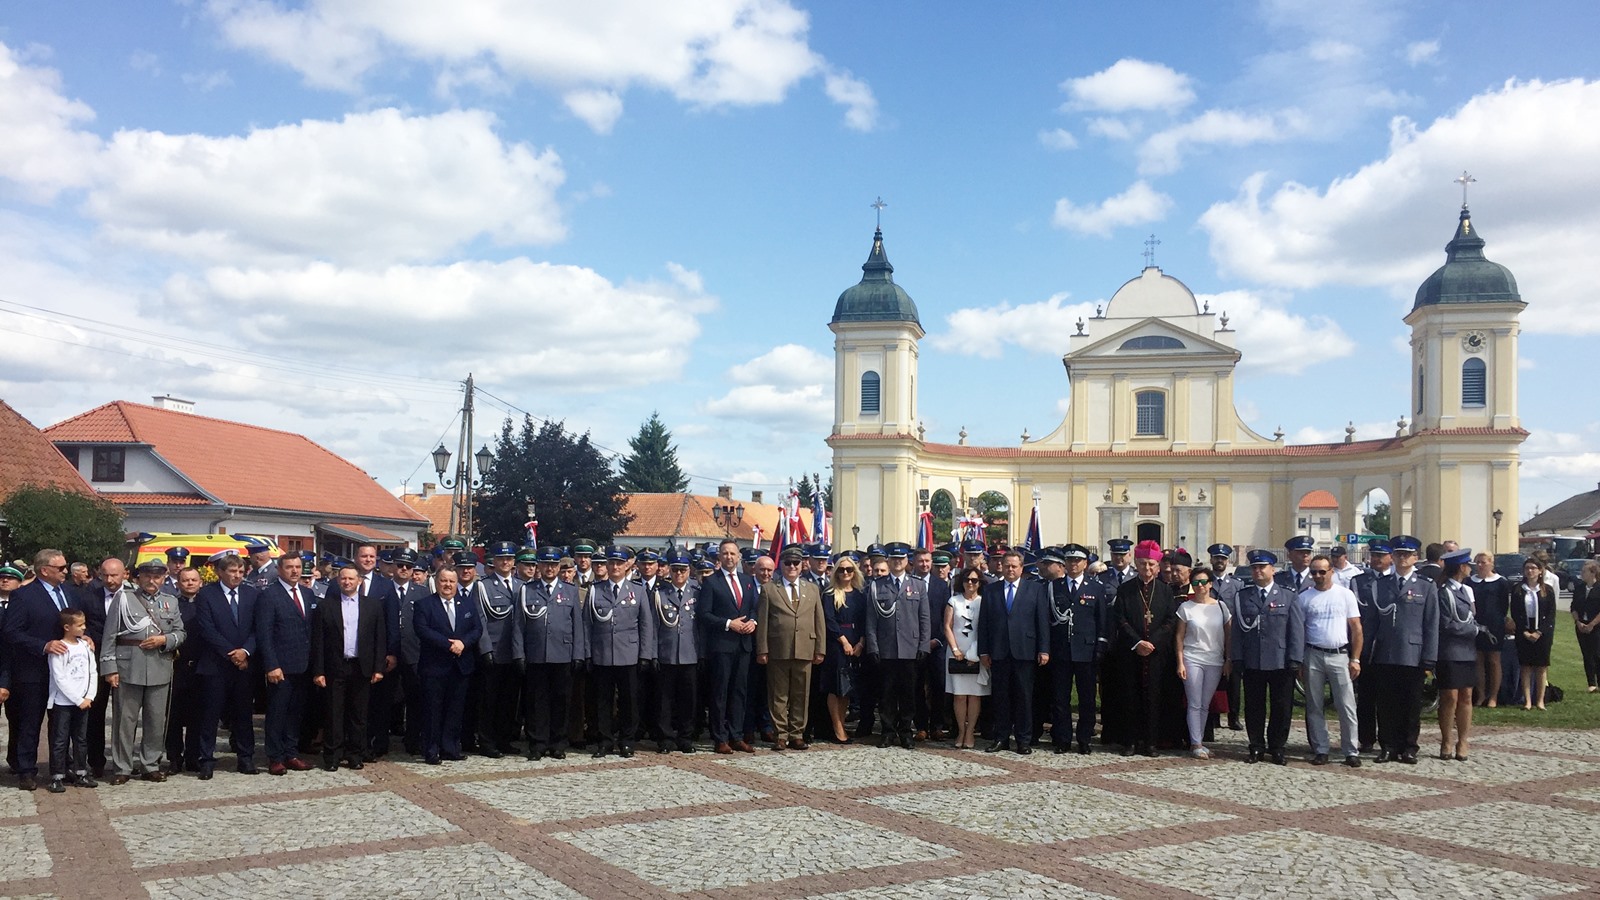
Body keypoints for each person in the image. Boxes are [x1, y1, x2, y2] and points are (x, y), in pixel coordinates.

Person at [100, 559, 186, 784]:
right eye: (147, 576)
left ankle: (150, 764)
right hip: (129, 666)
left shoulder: (170, 602)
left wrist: (164, 639)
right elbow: (109, 636)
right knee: (124, 721)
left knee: (156, 721)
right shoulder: (124, 598)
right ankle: (122, 767)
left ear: (163, 578)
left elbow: (180, 633)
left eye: (157, 577)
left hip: (159, 666)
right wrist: (109, 668)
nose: (152, 580)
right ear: (138, 578)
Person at [1105, 540, 1180, 757]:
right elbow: (1120, 619)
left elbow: (1169, 621)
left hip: (1157, 654)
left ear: (1157, 567)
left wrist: (1152, 642)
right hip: (1131, 651)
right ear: (1136, 564)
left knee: (1154, 698)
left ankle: (1151, 742)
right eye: (1142, 564)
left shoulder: (1165, 591)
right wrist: (1137, 642)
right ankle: (1129, 741)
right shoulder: (1126, 589)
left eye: (1150, 564)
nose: (1146, 569)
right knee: (1130, 696)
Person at [1368, 536, 1438, 764]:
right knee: (1386, 703)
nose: (1402, 558)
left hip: (1413, 654)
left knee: (1411, 703)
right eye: (1398, 554)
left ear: (1416, 558)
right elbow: (1373, 622)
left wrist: (1429, 658)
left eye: (1406, 554)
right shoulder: (1381, 584)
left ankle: (1409, 746)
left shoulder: (1425, 586)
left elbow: (1431, 624)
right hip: (1385, 653)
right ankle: (1387, 746)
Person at [309, 566, 386, 771]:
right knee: (334, 714)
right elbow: (318, 641)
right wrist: (318, 671)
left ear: (359, 581)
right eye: (343, 579)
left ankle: (355, 754)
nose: (347, 582)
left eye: (351, 579)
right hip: (335, 666)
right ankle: (332, 756)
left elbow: (380, 639)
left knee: (358, 715)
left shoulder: (372, 606)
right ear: (338, 581)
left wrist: (379, 668)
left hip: (361, 666)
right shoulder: (326, 606)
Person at [1232, 549, 1303, 765]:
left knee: (1281, 706)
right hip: (1253, 660)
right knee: (1254, 706)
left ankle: (1277, 747)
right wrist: (1237, 658)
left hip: (1281, 661)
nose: (1258, 571)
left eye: (1262, 567)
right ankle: (1256, 746)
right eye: (1254, 567)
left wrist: (1295, 658)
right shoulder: (1243, 596)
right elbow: (1237, 630)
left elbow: (1296, 630)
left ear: (1273, 569)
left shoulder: (1288, 596)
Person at [193, 552, 260, 778]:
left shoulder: (252, 594)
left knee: (243, 714)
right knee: (210, 715)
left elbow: (257, 628)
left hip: (244, 666)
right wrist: (231, 653)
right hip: (215, 665)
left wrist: (245, 651)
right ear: (220, 572)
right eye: (232, 571)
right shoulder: (207, 595)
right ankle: (206, 760)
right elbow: (206, 628)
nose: (237, 576)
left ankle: (245, 758)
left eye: (241, 572)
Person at [977, 549, 1048, 755]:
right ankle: (1001, 738)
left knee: (1024, 698)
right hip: (998, 652)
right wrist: (983, 651)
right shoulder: (991, 590)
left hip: (1025, 651)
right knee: (1001, 698)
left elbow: (1041, 622)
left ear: (1021, 568)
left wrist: (1043, 649)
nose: (1009, 569)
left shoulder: (1034, 589)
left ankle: (1023, 740)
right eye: (1006, 565)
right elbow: (984, 624)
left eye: (1014, 566)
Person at [587, 547, 655, 758]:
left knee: (630, 702)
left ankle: (627, 741)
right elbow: (586, 624)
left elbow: (646, 625)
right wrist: (588, 653)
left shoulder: (638, 590)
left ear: (627, 565)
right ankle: (605, 741)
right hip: (603, 654)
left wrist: (645, 654)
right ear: (606, 565)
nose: (615, 567)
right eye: (612, 562)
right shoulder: (595, 590)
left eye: (619, 563)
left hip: (629, 654)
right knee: (603, 702)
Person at [755, 547, 826, 750]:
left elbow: (818, 620)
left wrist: (820, 648)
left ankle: (797, 733)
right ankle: (780, 735)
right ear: (781, 565)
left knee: (801, 694)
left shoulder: (811, 589)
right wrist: (762, 649)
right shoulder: (769, 588)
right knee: (778, 695)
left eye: (796, 563)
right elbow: (764, 621)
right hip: (778, 648)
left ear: (802, 565)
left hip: (805, 647)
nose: (792, 567)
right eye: (788, 563)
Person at [1297, 555, 1363, 767]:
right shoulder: (1304, 597)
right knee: (1314, 705)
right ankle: (1321, 749)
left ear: (1331, 571)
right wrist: (1299, 660)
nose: (1317, 575)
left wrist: (1356, 658)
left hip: (1340, 655)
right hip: (1313, 654)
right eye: (1313, 572)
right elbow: (1299, 632)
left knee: (1346, 705)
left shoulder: (1345, 595)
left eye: (1321, 571)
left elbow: (1356, 629)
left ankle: (1351, 750)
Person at [864, 542, 930, 750]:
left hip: (910, 648)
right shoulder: (878, 585)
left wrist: (924, 645)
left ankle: (905, 731)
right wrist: (873, 646)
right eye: (893, 559)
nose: (897, 562)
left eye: (901, 559)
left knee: (909, 694)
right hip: (887, 648)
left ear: (906, 561)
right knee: (887, 694)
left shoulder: (918, 585)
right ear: (888, 561)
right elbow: (871, 620)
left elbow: (924, 618)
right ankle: (887, 731)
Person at [414, 568, 481, 764]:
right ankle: (431, 750)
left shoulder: (467, 604)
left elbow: (477, 628)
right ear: (436, 582)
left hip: (461, 667)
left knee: (455, 710)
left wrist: (464, 643)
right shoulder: (425, 605)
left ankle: (450, 748)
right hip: (434, 667)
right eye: (443, 581)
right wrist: (449, 645)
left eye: (451, 581)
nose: (448, 585)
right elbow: (422, 630)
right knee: (433, 711)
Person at [255, 552, 313, 776]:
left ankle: (291, 752)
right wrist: (271, 665)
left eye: (298, 567)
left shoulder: (307, 594)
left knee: (296, 712)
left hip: (303, 665)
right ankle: (275, 757)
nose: (295, 571)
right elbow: (264, 634)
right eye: (289, 567)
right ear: (279, 570)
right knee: (277, 712)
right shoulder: (269, 595)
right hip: (280, 666)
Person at [1046, 545, 1107, 755]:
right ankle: (1063, 738)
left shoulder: (1095, 588)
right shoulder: (1055, 586)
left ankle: (1084, 738)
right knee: (1060, 698)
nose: (1073, 564)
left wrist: (1100, 646)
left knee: (1087, 698)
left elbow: (1101, 620)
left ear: (1085, 564)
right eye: (1069, 560)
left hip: (1086, 650)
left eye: (1077, 560)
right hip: (1061, 649)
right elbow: (1048, 619)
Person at [700, 540, 759, 754]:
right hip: (722, 645)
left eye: (733, 553)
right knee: (720, 693)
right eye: (725, 553)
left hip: (743, 645)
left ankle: (737, 735)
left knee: (739, 692)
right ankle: (720, 738)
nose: (729, 557)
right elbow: (704, 614)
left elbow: (754, 608)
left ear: (739, 557)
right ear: (719, 557)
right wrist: (728, 624)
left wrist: (753, 621)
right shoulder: (711, 582)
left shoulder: (748, 580)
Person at [1175, 568, 1231, 759]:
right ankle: (1195, 742)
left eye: (1203, 582)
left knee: (1205, 704)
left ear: (1210, 584)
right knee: (1194, 702)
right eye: (1196, 583)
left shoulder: (1221, 607)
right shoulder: (1186, 608)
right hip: (1192, 658)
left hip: (1214, 660)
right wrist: (1180, 662)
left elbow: (1228, 635)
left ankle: (1199, 740)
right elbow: (1179, 637)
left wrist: (1228, 659)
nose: (1200, 587)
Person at [1436, 548, 1484, 761]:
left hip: (1467, 650)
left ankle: (1463, 740)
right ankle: (1446, 739)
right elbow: (1447, 624)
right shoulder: (1444, 591)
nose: (1470, 568)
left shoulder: (1467, 591)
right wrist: (1475, 630)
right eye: (1467, 565)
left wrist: (1474, 628)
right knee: (1450, 697)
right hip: (1449, 650)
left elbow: (1470, 616)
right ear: (1460, 567)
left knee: (1466, 695)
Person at [647, 550, 696, 754]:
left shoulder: (697, 592)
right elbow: (652, 626)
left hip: (690, 653)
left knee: (688, 700)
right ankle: (665, 738)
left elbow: (699, 627)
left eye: (682, 570)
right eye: (675, 570)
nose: (678, 574)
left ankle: (685, 737)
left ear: (689, 570)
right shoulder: (659, 594)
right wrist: (653, 654)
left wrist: (701, 654)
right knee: (664, 700)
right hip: (666, 654)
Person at [46, 609, 97, 793]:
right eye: (80, 625)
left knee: (81, 739)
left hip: (84, 701)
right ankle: (57, 775)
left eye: (84, 624)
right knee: (60, 740)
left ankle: (81, 771)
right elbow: (59, 678)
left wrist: (89, 696)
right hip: (64, 703)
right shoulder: (59, 648)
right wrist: (76, 699)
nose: (84, 628)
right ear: (67, 627)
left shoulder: (85, 646)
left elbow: (92, 671)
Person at [819, 556, 866, 744]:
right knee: (835, 687)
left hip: (856, 643)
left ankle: (842, 724)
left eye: (849, 569)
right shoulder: (830, 593)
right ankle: (837, 728)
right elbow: (829, 621)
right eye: (841, 569)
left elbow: (864, 621)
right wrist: (844, 642)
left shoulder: (860, 594)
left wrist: (861, 643)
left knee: (847, 688)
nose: (845, 573)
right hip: (837, 643)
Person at [164, 567, 204, 774]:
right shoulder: (172, 605)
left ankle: (193, 756)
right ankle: (174, 757)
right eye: (185, 580)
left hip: (200, 667)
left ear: (200, 582)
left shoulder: (206, 604)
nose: (189, 583)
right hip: (176, 666)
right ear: (178, 583)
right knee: (174, 716)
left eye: (193, 580)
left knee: (198, 715)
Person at [943, 565, 988, 749]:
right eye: (967, 580)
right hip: (956, 653)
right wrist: (955, 649)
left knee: (975, 696)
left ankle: (971, 733)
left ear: (979, 583)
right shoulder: (954, 601)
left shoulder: (984, 602)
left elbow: (985, 628)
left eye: (974, 580)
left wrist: (974, 653)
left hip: (977, 653)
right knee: (959, 696)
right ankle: (961, 730)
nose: (970, 583)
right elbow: (947, 626)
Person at [1512, 557, 1557, 710]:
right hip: (1524, 629)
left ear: (1539, 571)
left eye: (1533, 568)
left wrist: (1539, 632)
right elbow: (1515, 612)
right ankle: (1527, 701)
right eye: (1527, 568)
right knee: (1525, 666)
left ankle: (1540, 700)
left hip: (1542, 631)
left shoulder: (1547, 590)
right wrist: (1524, 631)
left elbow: (1551, 614)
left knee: (1541, 666)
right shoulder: (1518, 589)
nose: (1530, 571)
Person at [1469, 551, 1510, 707]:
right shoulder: (1470, 582)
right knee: (1478, 659)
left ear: (1491, 563)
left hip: (1494, 625)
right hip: (1475, 623)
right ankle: (1481, 694)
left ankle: (1493, 696)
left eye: (1483, 562)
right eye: (1477, 562)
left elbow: (1503, 605)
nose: (1480, 565)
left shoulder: (1501, 582)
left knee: (1493, 660)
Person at [1571, 560, 1600, 693]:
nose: (1582, 574)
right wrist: (1578, 622)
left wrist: (1592, 624)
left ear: (1593, 573)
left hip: (1597, 627)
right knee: (1587, 654)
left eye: (1584, 572)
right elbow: (1574, 607)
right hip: (1581, 625)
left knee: (1597, 654)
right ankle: (1591, 683)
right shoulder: (1580, 587)